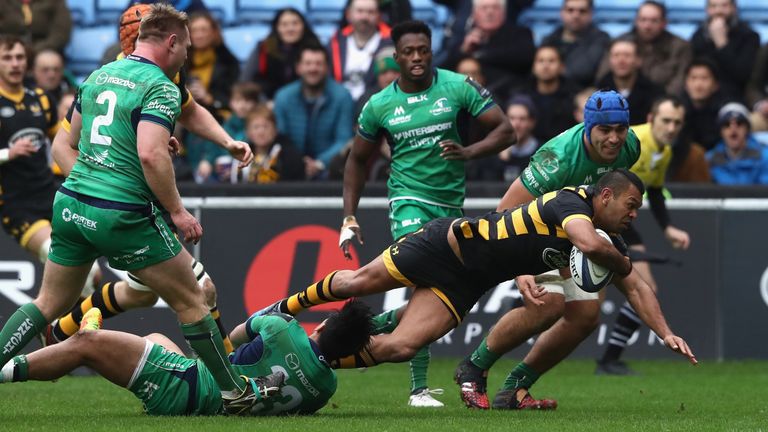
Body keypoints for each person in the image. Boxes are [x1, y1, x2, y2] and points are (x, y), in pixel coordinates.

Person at [0, 4, 259, 414]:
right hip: (120, 212)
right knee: (193, 300)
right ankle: (234, 391)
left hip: (70, 204)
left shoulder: (98, 75)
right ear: (171, 42)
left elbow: (80, 142)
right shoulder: (160, 85)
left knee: (46, 303)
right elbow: (151, 156)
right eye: (186, 48)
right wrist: (177, 212)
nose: (187, 56)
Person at [257, 172, 697, 395]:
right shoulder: (572, 203)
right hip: (445, 245)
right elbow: (591, 246)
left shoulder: (608, 238)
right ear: (605, 195)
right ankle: (280, 310)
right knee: (356, 281)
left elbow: (637, 287)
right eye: (631, 204)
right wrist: (621, 261)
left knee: (402, 346)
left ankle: (311, 363)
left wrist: (665, 332)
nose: (635, 214)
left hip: (466, 283)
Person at [46, 3, 254, 350]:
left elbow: (189, 109)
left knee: (139, 294)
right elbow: (61, 147)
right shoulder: (115, 75)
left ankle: (59, 330)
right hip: (122, 205)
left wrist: (226, 141)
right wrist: (103, 185)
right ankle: (231, 376)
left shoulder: (160, 75)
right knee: (200, 290)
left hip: (126, 202)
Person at [339, 20, 515, 407]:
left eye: (423, 50)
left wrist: (469, 151)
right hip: (408, 201)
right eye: (408, 52)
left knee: (440, 296)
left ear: (430, 50)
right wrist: (349, 215)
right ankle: (418, 390)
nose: (416, 58)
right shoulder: (379, 104)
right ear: (396, 56)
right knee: (424, 279)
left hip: (449, 208)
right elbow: (357, 161)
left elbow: (506, 131)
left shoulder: (457, 86)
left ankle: (365, 328)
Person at [456, 90, 643, 410]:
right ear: (587, 127)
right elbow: (506, 209)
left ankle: (514, 389)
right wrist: (521, 268)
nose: (614, 139)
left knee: (586, 317)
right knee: (548, 304)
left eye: (620, 129)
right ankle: (473, 368)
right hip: (535, 234)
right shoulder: (556, 158)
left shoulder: (631, 147)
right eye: (604, 130)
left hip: (577, 237)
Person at [0, 299, 374, 416]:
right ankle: (60, 357)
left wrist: (210, 306)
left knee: (86, 342)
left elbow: (231, 340)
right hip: (211, 399)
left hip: (190, 387)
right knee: (156, 337)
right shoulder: (327, 388)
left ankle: (11, 369)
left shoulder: (283, 328)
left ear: (323, 325)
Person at [596, 95, 692, 375]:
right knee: (585, 303)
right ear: (650, 119)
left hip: (621, 225)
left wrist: (667, 228)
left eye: (677, 122)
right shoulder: (632, 142)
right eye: (666, 120)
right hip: (593, 220)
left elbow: (656, 192)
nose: (672, 127)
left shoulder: (665, 151)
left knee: (646, 289)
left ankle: (609, 360)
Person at [0, 35, 101, 298]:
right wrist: (8, 153)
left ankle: (63, 331)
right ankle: (62, 330)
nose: (15, 64)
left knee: (92, 274)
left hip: (52, 197)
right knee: (59, 258)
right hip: (17, 206)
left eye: (20, 57)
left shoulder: (41, 99)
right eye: (7, 58)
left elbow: (65, 141)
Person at [273, 44, 355, 180]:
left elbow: (344, 139)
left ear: (327, 68)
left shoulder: (342, 96)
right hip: (290, 168)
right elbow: (281, 137)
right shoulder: (283, 96)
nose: (313, 68)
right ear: (298, 68)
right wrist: (298, 163)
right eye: (308, 63)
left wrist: (320, 163)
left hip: (331, 170)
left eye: (318, 64)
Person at [439, 0, 535, 98]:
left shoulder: (520, 34)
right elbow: (442, 69)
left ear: (504, 13)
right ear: (474, 14)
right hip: (465, 98)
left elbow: (526, 58)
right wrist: (464, 50)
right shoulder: (463, 37)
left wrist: (478, 55)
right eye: (484, 8)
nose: (489, 12)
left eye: (495, 8)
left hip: (507, 96)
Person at [594, 1, 691, 96]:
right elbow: (603, 76)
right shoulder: (620, 43)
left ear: (664, 23)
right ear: (636, 21)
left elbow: (679, 83)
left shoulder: (680, 46)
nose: (647, 26)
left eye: (654, 20)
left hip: (663, 103)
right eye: (643, 20)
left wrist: (662, 103)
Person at [240, 8, 320, 100]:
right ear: (277, 27)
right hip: (268, 104)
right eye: (284, 24)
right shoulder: (264, 48)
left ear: (303, 26)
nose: (290, 29)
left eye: (295, 23)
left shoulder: (315, 48)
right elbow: (246, 80)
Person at [193, 82, 262, 183]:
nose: (242, 105)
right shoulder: (225, 125)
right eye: (238, 100)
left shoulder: (258, 126)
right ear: (231, 102)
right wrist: (207, 161)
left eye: (247, 101)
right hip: (221, 178)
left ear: (255, 103)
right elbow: (213, 148)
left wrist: (236, 170)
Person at [690, 0, 759, 100]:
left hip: (736, 95)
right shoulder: (698, 36)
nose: (718, 10)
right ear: (707, 10)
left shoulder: (749, 36)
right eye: (713, 6)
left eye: (724, 5)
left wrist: (721, 43)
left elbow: (742, 75)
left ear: (734, 8)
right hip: (703, 95)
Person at [328, 0, 393, 102]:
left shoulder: (391, 41)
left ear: (379, 15)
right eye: (360, 11)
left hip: (375, 104)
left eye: (370, 12)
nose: (364, 17)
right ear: (348, 14)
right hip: (338, 103)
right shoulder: (335, 41)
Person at [512, 44, 576, 143]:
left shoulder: (573, 96)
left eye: (551, 61)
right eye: (540, 61)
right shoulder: (521, 97)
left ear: (562, 66)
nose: (545, 66)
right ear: (533, 66)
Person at [467, 96, 539, 182]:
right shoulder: (491, 152)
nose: (516, 124)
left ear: (532, 122)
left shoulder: (542, 152)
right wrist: (500, 161)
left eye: (522, 119)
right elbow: (484, 188)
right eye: (512, 118)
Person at [541, 0, 610, 90]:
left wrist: (554, 70)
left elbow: (583, 71)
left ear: (591, 14)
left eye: (582, 11)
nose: (576, 16)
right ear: (561, 13)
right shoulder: (549, 40)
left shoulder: (601, 39)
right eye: (570, 10)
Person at [595, 38, 664, 126]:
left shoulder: (655, 93)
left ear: (638, 60)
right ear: (610, 60)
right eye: (616, 55)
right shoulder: (598, 91)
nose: (621, 61)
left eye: (627, 55)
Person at [707, 102, 768, 184]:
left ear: (747, 129)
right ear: (720, 131)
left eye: (739, 123)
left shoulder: (765, 158)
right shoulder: (709, 160)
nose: (733, 128)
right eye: (726, 124)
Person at [0, 0, 71, 54]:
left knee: (49, 61)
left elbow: (61, 34)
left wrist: (35, 50)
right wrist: (8, 47)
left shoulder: (55, 2)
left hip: (44, 50)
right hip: (7, 49)